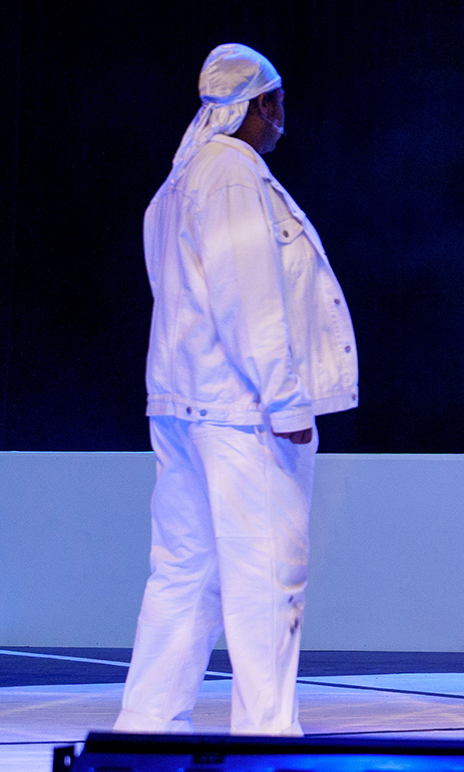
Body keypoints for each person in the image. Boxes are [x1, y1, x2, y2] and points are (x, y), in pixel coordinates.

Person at [114, 44, 359, 736]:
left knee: (185, 572)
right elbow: (247, 292)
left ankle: (147, 729)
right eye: (277, 102)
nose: (283, 117)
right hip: (240, 407)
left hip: (189, 402)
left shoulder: (181, 176)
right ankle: (267, 741)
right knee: (268, 578)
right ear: (261, 104)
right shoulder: (228, 170)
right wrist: (285, 399)